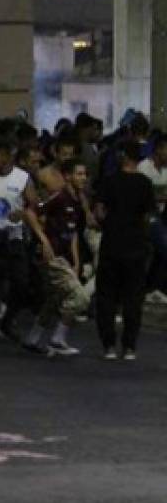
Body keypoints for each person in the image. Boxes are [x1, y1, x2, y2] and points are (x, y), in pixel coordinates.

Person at [0, 139, 46, 341]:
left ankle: (8, 320)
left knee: (21, 283)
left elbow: (35, 204)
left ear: (6, 157)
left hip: (14, 236)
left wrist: (23, 213)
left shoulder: (22, 178)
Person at [94, 140, 156, 361]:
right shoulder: (145, 183)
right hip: (136, 246)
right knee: (133, 298)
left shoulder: (109, 182)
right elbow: (148, 216)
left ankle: (109, 345)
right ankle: (129, 347)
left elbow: (99, 212)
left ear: (122, 156)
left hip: (111, 244)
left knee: (107, 296)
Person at [26, 158, 92, 357]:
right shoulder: (59, 197)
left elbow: (72, 232)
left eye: (84, 174)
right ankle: (58, 338)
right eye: (79, 174)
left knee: (54, 298)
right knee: (80, 298)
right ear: (67, 176)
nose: (83, 178)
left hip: (64, 256)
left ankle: (33, 338)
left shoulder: (78, 201)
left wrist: (76, 260)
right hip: (51, 256)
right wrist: (43, 239)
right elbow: (30, 212)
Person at [137, 134, 167, 298]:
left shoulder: (165, 170)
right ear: (159, 149)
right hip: (147, 218)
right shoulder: (144, 168)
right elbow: (141, 197)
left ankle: (155, 287)